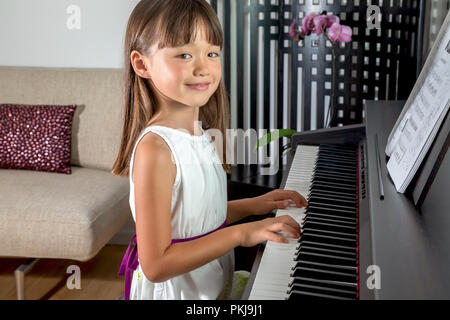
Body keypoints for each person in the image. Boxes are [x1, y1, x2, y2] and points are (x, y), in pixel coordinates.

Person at [111, 0, 307, 300]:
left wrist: (256, 205)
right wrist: (242, 235)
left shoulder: (199, 131)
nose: (203, 67)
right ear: (142, 64)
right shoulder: (156, 150)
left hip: (210, 285)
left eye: (212, 53)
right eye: (184, 54)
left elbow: (197, 220)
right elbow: (156, 264)